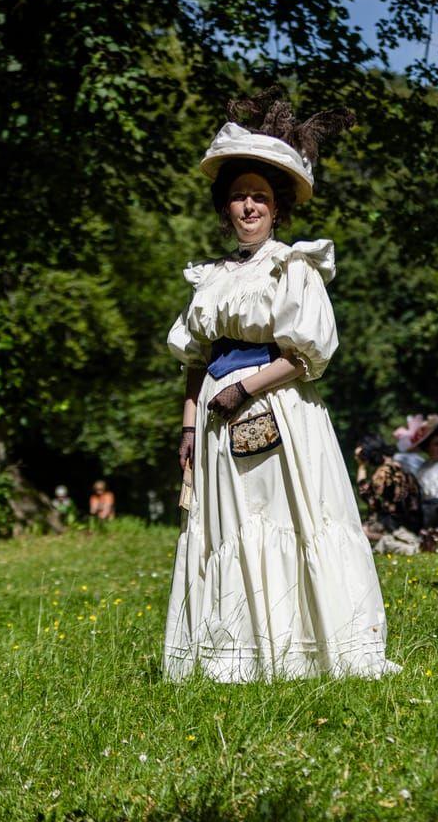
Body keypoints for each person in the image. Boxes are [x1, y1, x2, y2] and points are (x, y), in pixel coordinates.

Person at [165, 90, 398, 682]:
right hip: (216, 421)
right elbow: (197, 357)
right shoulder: (210, 278)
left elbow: (307, 351)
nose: (249, 207)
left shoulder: (293, 266)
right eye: (240, 196)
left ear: (277, 208)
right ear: (226, 205)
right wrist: (190, 427)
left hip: (276, 412)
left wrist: (246, 390)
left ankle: (301, 648)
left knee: (282, 521)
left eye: (261, 198)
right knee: (230, 530)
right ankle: (234, 655)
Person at [354, 435, 423, 549]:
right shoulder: (399, 467)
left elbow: (370, 499)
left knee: (358, 531)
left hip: (398, 528)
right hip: (413, 526)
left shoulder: (383, 473)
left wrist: (361, 467)